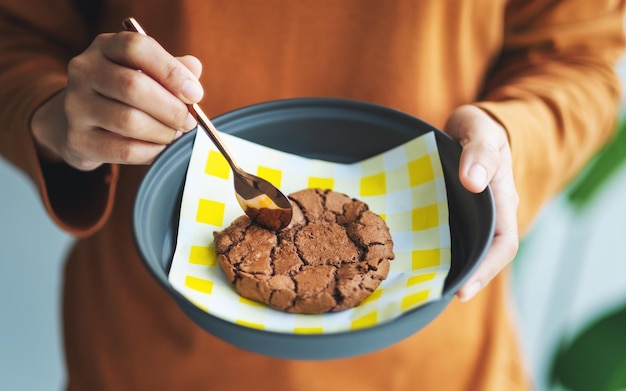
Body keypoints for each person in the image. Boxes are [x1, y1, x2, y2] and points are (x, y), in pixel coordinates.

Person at [0, 1, 624, 390]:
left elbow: (581, 52)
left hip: (433, 356)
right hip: (150, 349)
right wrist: (53, 113)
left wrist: (512, 139)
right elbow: (16, 35)